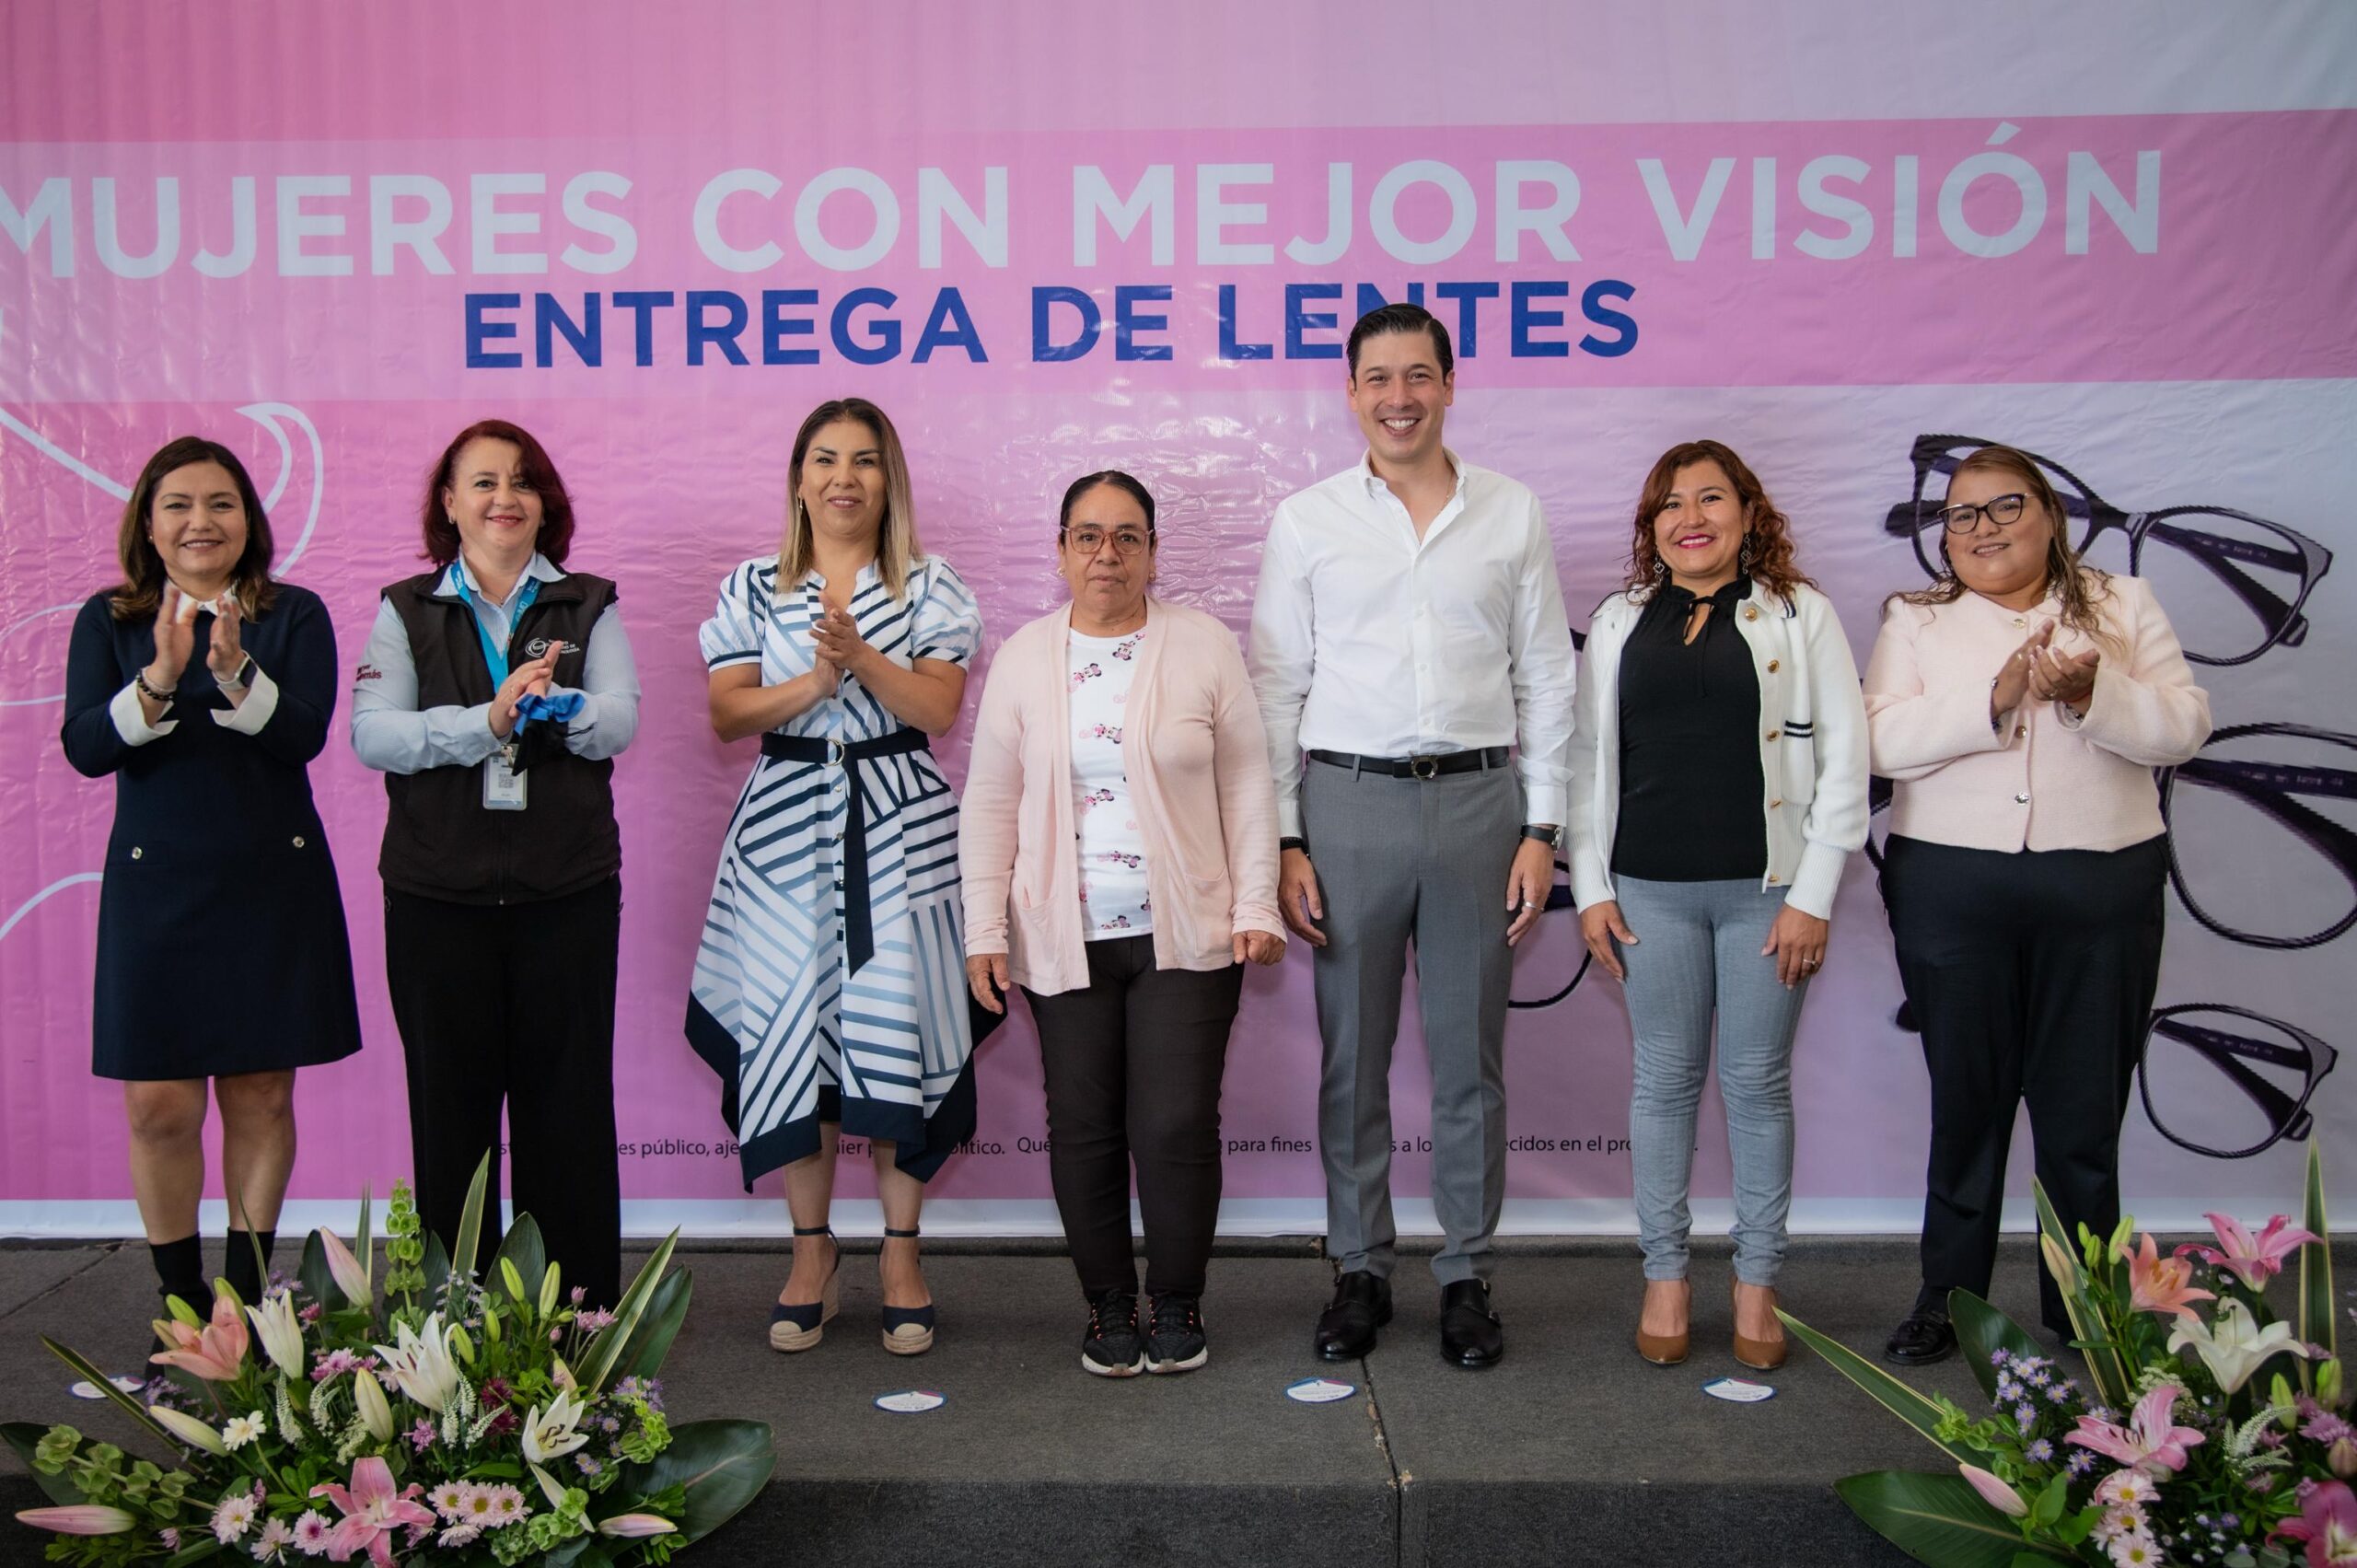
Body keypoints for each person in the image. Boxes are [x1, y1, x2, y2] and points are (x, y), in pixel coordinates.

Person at [1248, 303, 1577, 1369]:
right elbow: (1275, 686)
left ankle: (1467, 1272)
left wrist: (1544, 825)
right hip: (1345, 805)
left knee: (1468, 1054)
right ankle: (1359, 1267)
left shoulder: (1512, 512)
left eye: (1418, 375)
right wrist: (1286, 840)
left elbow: (1545, 675)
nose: (1398, 395)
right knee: (1352, 1054)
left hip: (1483, 804)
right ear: (1349, 393)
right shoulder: (1306, 520)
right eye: (1377, 377)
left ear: (1449, 385)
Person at [1864, 444, 2210, 1365]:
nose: (1980, 528)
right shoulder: (1916, 617)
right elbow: (1879, 738)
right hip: (1951, 882)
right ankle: (1950, 1295)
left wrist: (2097, 691)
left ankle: (2087, 1302)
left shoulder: (2121, 603)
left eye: (2002, 506)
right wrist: (2000, 692)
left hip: (2100, 883)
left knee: (2080, 1111)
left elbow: (2183, 723)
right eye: (1961, 514)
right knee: (1966, 1103)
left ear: (2050, 514)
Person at [960, 470, 1285, 1377]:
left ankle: (1177, 1297)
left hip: (1189, 931)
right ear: (1060, 548)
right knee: (1085, 1125)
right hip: (1061, 936)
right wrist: (984, 926)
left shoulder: (1201, 644)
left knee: (1177, 1122)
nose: (1107, 553)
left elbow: (1248, 782)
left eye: (1128, 536)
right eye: (1089, 535)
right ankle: (1107, 1304)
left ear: (1152, 549)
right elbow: (990, 799)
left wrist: (1256, 901)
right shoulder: (1025, 656)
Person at [688, 397, 982, 1357]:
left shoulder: (931, 584)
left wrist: (860, 659)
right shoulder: (752, 584)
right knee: (787, 1036)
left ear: (888, 478)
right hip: (779, 837)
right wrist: (814, 685)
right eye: (825, 458)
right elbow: (728, 714)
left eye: (863, 459)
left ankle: (902, 1253)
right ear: (799, 477)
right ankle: (811, 1254)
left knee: (896, 1031)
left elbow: (937, 708)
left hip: (902, 829)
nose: (843, 476)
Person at [1566, 441, 1869, 1371]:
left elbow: (1846, 763)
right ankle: (1664, 1274)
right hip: (1648, 892)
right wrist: (1592, 888)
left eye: (1709, 497)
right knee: (1660, 1083)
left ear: (1747, 511)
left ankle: (1756, 1281)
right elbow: (1585, 765)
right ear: (1651, 526)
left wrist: (1812, 896)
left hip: (1767, 895)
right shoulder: (1619, 621)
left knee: (1754, 1084)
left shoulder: (1799, 612)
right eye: (1669, 503)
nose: (1689, 516)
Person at [62, 436, 362, 1317]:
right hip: (156, 892)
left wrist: (232, 668)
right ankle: (182, 1301)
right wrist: (159, 675)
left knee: (261, 1092)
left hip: (273, 882)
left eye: (222, 502)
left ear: (249, 520)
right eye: (179, 505)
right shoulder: (110, 620)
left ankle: (244, 1301)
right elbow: (87, 745)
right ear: (149, 527)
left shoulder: (292, 614)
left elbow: (302, 734)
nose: (202, 521)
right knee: (158, 1105)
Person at [351, 419, 640, 1309]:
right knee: (451, 1121)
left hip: (568, 894)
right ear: (449, 503)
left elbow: (621, 719)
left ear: (545, 503)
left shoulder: (589, 602)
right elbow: (374, 735)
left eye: (521, 481)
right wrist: (487, 720)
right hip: (439, 900)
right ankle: (449, 1330)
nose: (503, 498)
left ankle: (578, 1327)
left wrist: (559, 706)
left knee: (570, 1120)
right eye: (481, 482)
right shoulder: (405, 608)